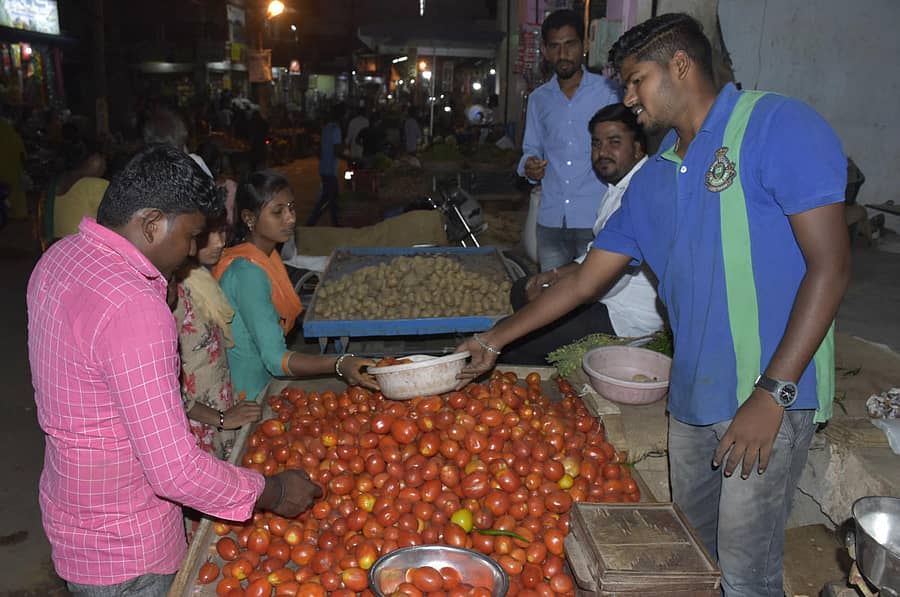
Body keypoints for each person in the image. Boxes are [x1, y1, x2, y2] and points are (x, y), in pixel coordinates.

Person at [458, 13, 850, 597]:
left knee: (746, 571)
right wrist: (494, 339)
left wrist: (773, 393)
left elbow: (832, 266)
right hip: (692, 401)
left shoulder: (775, 125)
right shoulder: (654, 178)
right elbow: (583, 282)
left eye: (637, 80)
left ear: (681, 66)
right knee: (690, 554)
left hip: (766, 395)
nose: (628, 96)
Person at [27, 145, 323, 597]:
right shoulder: (134, 305)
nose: (190, 252)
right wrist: (273, 492)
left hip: (74, 521)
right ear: (150, 225)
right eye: (189, 236)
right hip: (129, 549)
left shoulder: (58, 259)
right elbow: (175, 472)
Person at [502, 103, 663, 364]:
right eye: (596, 144)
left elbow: (602, 283)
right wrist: (552, 275)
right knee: (523, 290)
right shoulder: (616, 189)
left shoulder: (639, 191)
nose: (602, 152)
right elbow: (594, 253)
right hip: (606, 298)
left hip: (623, 318)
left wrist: (553, 291)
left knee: (511, 345)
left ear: (637, 147)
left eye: (614, 142)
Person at [213, 170, 376, 402]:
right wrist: (339, 362)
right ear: (249, 218)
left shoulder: (265, 257)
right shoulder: (247, 273)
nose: (290, 218)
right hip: (247, 394)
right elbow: (275, 359)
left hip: (261, 382)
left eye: (291, 208)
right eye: (278, 212)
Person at [518, 9, 620, 272]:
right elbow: (531, 148)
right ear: (545, 50)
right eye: (555, 46)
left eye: (570, 44)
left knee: (594, 304)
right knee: (552, 298)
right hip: (551, 220)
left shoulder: (608, 93)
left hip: (595, 219)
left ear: (584, 45)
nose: (563, 54)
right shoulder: (539, 99)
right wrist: (529, 165)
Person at [173, 212, 261, 460]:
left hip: (221, 411)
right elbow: (164, 390)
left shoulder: (200, 278)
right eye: (207, 235)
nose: (219, 242)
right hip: (196, 426)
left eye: (222, 232)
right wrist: (220, 418)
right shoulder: (170, 295)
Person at [307, 107, 343, 226]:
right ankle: (312, 222)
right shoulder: (336, 129)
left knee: (331, 197)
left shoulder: (326, 128)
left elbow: (321, 150)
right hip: (330, 169)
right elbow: (336, 150)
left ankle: (334, 222)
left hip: (324, 167)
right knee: (329, 198)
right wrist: (350, 158)